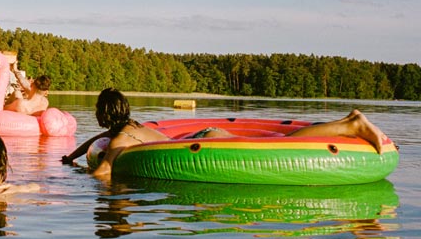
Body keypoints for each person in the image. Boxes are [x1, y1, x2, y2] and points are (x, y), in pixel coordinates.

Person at [63, 88, 390, 177]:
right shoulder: (133, 127)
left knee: (284, 142)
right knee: (277, 140)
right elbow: (96, 141)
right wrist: (71, 157)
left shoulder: (121, 139)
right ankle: (347, 124)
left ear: (103, 114)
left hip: (207, 142)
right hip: (205, 135)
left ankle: (351, 124)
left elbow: (104, 172)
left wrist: (77, 177)